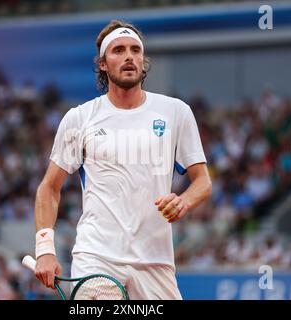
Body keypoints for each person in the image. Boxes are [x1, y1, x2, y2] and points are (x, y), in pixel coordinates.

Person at [33, 20, 212, 299]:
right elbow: (49, 188)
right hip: (96, 259)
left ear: (143, 60)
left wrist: (184, 200)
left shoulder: (176, 112)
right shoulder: (79, 118)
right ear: (103, 63)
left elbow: (203, 181)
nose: (129, 56)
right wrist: (45, 250)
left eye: (135, 50)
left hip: (156, 263)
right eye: (118, 50)